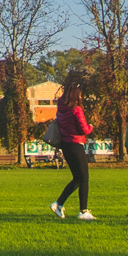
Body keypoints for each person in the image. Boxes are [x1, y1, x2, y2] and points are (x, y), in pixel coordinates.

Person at [50, 78, 96, 219]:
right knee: (84, 178)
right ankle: (83, 211)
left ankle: (59, 203)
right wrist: (91, 127)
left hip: (65, 144)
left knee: (77, 178)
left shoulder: (61, 109)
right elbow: (83, 129)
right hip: (76, 144)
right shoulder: (77, 109)